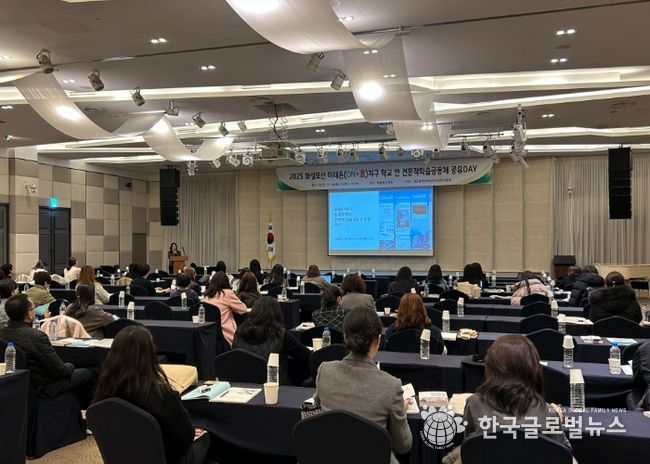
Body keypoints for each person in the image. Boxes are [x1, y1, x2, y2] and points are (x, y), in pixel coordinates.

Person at [442, 334, 571, 464]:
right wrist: (557, 420)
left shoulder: (474, 404)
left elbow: (470, 449)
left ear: (491, 367)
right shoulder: (547, 412)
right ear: (533, 368)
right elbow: (564, 455)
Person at [93, 325, 210, 464]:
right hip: (164, 458)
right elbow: (185, 437)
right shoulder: (161, 394)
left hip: (120, 456)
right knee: (207, 437)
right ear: (150, 354)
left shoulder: (104, 390)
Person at [314, 307, 412, 464]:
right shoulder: (391, 386)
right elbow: (404, 445)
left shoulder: (325, 370)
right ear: (378, 341)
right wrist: (401, 411)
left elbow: (315, 414)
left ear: (345, 338)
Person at [0, 294, 97, 407]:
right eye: (33, 308)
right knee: (91, 372)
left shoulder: (2, 333)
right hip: (43, 387)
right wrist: (72, 365)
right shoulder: (36, 336)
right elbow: (60, 371)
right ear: (29, 314)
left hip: (13, 385)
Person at [233, 297, 310, 385]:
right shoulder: (280, 335)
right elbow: (305, 355)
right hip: (276, 387)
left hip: (243, 385)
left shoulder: (239, 332)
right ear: (277, 314)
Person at [202, 271, 248, 346]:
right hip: (225, 335)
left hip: (208, 335)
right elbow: (243, 309)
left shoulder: (206, 296)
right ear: (227, 282)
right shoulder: (227, 293)